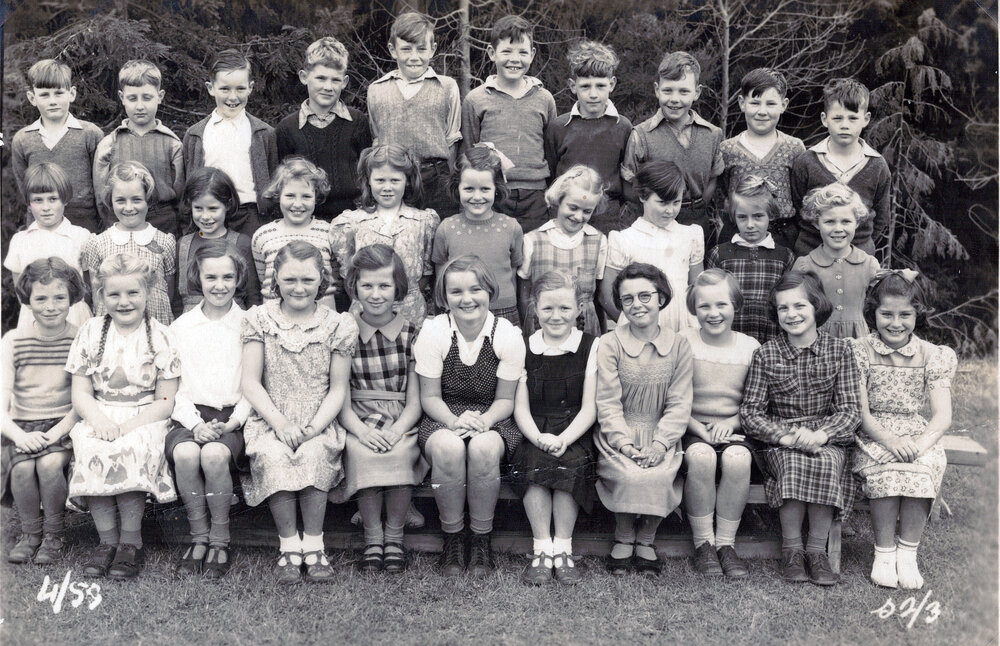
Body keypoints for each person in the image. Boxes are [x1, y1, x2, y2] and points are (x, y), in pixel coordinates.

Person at [240, 241, 357, 585]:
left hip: (318, 418)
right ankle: (289, 546)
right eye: (290, 279)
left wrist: (313, 427)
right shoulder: (259, 319)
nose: (299, 288)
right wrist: (279, 423)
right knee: (275, 456)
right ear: (275, 277)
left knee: (313, 454)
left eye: (308, 280)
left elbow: (338, 388)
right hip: (272, 416)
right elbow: (250, 382)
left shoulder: (338, 324)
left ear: (322, 279)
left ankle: (315, 546)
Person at [740, 270, 862, 586]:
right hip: (782, 439)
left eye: (799, 306)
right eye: (783, 308)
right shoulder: (765, 354)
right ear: (775, 313)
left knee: (825, 461)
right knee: (792, 464)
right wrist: (784, 436)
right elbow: (751, 413)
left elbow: (850, 410)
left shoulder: (841, 351)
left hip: (827, 436)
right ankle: (792, 551)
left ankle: (817, 551)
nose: (792, 314)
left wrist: (822, 434)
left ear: (816, 306)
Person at [66, 253, 182, 579]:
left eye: (133, 293)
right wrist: (100, 422)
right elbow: (80, 392)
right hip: (98, 410)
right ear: (101, 295)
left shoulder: (161, 335)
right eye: (114, 294)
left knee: (134, 447)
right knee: (92, 447)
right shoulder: (90, 331)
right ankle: (106, 541)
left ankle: (131, 542)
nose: (124, 301)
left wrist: (127, 426)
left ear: (148, 294)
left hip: (145, 413)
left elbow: (165, 400)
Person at [413, 255, 526, 578]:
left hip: (494, 416)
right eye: (456, 292)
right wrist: (452, 422)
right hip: (443, 414)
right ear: (444, 297)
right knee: (449, 448)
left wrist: (485, 422)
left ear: (489, 291)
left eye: (475, 289)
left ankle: (480, 539)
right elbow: (430, 397)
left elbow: (506, 399)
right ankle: (452, 538)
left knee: (484, 448)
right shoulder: (435, 331)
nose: (467, 299)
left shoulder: (506, 334)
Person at [852, 270, 956, 590]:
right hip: (873, 431)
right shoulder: (859, 350)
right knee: (886, 467)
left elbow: (942, 416)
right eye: (886, 314)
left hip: (915, 432)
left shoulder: (931, 354)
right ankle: (884, 553)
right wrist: (889, 439)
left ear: (917, 314)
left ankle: (907, 552)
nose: (895, 323)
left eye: (905, 315)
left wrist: (919, 444)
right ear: (873, 313)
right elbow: (861, 412)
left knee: (922, 467)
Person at [331, 244, 428, 574]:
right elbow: (340, 398)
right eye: (367, 285)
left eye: (384, 285)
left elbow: (415, 402)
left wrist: (396, 430)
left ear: (398, 287)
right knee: (362, 453)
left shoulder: (414, 333)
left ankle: (394, 536)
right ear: (354, 286)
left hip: (401, 417)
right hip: (357, 416)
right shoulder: (344, 332)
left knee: (399, 452)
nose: (375, 294)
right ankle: (373, 537)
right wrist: (361, 431)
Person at [595, 262, 693, 576]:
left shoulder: (679, 345)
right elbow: (607, 402)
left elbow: (679, 403)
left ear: (661, 298)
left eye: (645, 296)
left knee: (657, 474)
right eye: (628, 299)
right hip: (619, 431)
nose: (637, 305)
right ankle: (624, 537)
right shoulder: (610, 343)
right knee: (629, 474)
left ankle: (646, 539)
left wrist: (661, 444)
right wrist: (623, 444)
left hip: (661, 432)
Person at [166, 245, 252, 579]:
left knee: (214, 457)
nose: (220, 284)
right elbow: (176, 387)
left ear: (238, 278)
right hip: (189, 415)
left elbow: (254, 385)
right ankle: (198, 536)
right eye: (211, 277)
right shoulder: (182, 327)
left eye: (228, 276)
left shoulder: (248, 324)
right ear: (197, 278)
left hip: (233, 416)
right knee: (187, 455)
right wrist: (193, 423)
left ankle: (220, 538)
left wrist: (234, 420)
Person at [510, 271, 598, 585]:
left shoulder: (591, 347)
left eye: (564, 308)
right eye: (547, 308)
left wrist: (564, 438)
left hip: (575, 430)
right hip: (535, 428)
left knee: (570, 464)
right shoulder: (524, 346)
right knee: (533, 462)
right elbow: (520, 406)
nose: (556, 316)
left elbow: (590, 407)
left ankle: (563, 547)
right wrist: (537, 436)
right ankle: (541, 549)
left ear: (579, 309)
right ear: (534, 309)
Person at [1, 259, 85, 565]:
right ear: (27, 299)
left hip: (63, 425)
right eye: (41, 298)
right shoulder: (13, 341)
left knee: (50, 465)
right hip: (22, 425)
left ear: (73, 297)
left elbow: (82, 400)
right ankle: (30, 534)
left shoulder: (80, 338)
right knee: (22, 469)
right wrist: (19, 435)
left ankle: (53, 535)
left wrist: (53, 433)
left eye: (59, 297)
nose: (50, 306)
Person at [678, 270, 760, 578]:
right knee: (701, 457)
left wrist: (733, 421)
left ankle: (726, 544)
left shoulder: (749, 347)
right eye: (704, 307)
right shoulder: (683, 342)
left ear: (736, 305)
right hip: (690, 427)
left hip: (735, 429)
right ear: (693, 309)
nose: (713, 314)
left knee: (738, 460)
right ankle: (704, 544)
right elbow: (672, 398)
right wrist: (697, 427)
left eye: (721, 305)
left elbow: (756, 401)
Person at [462, 15, 557, 233]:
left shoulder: (545, 98)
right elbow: (470, 150)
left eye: (522, 52)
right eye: (506, 51)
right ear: (491, 53)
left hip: (535, 195)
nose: (515, 59)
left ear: (532, 55)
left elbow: (551, 150)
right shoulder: (476, 99)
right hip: (492, 192)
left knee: (531, 258)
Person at [621, 51, 724, 250]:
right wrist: (655, 208)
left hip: (696, 222)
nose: (674, 99)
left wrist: (697, 205)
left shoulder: (712, 134)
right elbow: (629, 185)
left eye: (683, 91)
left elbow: (713, 178)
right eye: (668, 91)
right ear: (657, 90)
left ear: (697, 92)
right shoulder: (641, 135)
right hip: (653, 225)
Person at [330, 145, 439, 325]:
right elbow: (348, 272)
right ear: (369, 181)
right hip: (365, 311)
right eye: (380, 180)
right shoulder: (351, 223)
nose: (387, 187)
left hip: (409, 312)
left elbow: (426, 272)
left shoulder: (424, 221)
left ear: (407, 181)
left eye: (395, 180)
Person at [367, 11, 461, 216]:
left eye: (421, 49)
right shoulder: (377, 90)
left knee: (439, 239)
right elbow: (377, 136)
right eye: (406, 49)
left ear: (432, 49)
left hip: (437, 180)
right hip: (395, 180)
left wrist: (449, 183)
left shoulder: (447, 87)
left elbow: (452, 140)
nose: (414, 57)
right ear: (393, 50)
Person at [182, 49, 278, 236]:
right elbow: (189, 184)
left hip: (250, 217)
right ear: (211, 88)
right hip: (208, 218)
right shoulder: (195, 135)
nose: (233, 97)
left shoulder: (264, 133)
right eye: (225, 89)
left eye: (240, 89)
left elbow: (274, 180)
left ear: (250, 87)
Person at [275, 37, 372, 221]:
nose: (328, 87)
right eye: (320, 78)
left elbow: (368, 174)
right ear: (304, 77)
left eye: (335, 80)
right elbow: (282, 185)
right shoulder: (287, 129)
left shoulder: (358, 122)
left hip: (353, 218)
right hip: (305, 220)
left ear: (344, 82)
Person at [792, 78, 891, 257]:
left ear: (866, 119)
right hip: (811, 255)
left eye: (853, 118)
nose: (845, 125)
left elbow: (881, 218)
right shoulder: (806, 162)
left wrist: (859, 244)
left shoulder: (877, 165)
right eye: (837, 118)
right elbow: (798, 210)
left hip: (859, 258)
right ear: (825, 119)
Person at [602, 160, 702, 332]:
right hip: (639, 326)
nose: (670, 210)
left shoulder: (691, 235)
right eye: (662, 202)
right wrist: (632, 324)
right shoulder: (624, 240)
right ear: (643, 196)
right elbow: (607, 295)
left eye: (676, 202)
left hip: (684, 326)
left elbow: (697, 288)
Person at [544, 40, 632, 234]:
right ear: (572, 86)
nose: (593, 94)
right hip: (565, 214)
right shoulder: (558, 127)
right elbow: (550, 175)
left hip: (608, 218)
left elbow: (627, 177)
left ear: (612, 84)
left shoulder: (623, 127)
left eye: (600, 86)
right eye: (585, 86)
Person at [431, 145, 524, 327]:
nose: (477, 196)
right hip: (461, 310)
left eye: (485, 189)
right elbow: (441, 276)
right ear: (457, 188)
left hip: (503, 310)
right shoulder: (447, 228)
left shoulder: (511, 227)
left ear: (496, 188)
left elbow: (513, 273)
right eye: (469, 189)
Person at [93, 59, 185, 237]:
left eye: (147, 97)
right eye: (132, 98)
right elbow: (101, 196)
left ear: (160, 96)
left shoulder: (172, 144)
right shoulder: (110, 144)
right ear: (122, 98)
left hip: (163, 223)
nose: (140, 106)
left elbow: (181, 195)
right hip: (121, 220)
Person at [11, 59, 103, 232]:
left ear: (72, 94)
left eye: (59, 93)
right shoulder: (22, 140)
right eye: (44, 95)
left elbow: (100, 188)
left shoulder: (90, 134)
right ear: (32, 98)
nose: (52, 101)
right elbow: (26, 191)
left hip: (84, 223)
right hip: (40, 226)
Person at [718, 68, 806, 249]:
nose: (762, 111)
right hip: (739, 233)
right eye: (755, 103)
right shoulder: (727, 149)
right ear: (742, 103)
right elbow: (722, 194)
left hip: (784, 236)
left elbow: (800, 196)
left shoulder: (794, 148)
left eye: (771, 104)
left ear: (784, 105)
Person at [517, 165, 608, 336]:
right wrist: (526, 330)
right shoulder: (533, 241)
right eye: (573, 208)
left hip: (584, 329)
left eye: (587, 211)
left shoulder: (598, 242)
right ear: (559, 200)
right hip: (541, 328)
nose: (579, 216)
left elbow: (598, 298)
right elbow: (524, 294)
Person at [81, 161, 176, 324]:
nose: (129, 207)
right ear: (110, 201)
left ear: (148, 199)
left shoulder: (165, 241)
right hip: (113, 327)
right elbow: (97, 294)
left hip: (156, 322)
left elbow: (168, 291)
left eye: (137, 199)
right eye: (121, 200)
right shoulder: (98, 243)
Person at [706, 175, 795, 344]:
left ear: (770, 215)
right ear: (733, 216)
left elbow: (787, 301)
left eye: (758, 216)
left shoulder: (784, 257)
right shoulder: (719, 255)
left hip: (772, 340)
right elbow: (711, 299)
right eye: (742, 217)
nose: (750, 224)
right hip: (730, 339)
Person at [4, 162, 93, 329]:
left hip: (73, 316)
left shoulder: (81, 236)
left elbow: (90, 285)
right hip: (34, 319)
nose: (46, 207)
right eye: (38, 200)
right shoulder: (21, 241)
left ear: (65, 199)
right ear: (29, 204)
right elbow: (21, 292)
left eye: (53, 199)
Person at [793, 183, 880, 338]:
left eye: (846, 221)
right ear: (816, 223)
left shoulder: (869, 264)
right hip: (817, 340)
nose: (838, 228)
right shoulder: (804, 265)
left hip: (859, 340)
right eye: (830, 222)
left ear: (857, 223)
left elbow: (877, 308)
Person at [252, 157, 339, 311]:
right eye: (290, 196)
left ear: (316, 198)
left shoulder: (329, 232)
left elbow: (335, 279)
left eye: (306, 196)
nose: (298, 204)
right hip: (276, 320)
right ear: (278, 195)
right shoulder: (263, 235)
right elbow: (263, 281)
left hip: (322, 318)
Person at [175, 167, 260, 313]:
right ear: (190, 205)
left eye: (213, 208)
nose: (205, 216)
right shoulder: (182, 245)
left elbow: (253, 297)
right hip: (191, 329)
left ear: (227, 205)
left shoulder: (242, 243)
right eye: (198, 208)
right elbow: (176, 301)